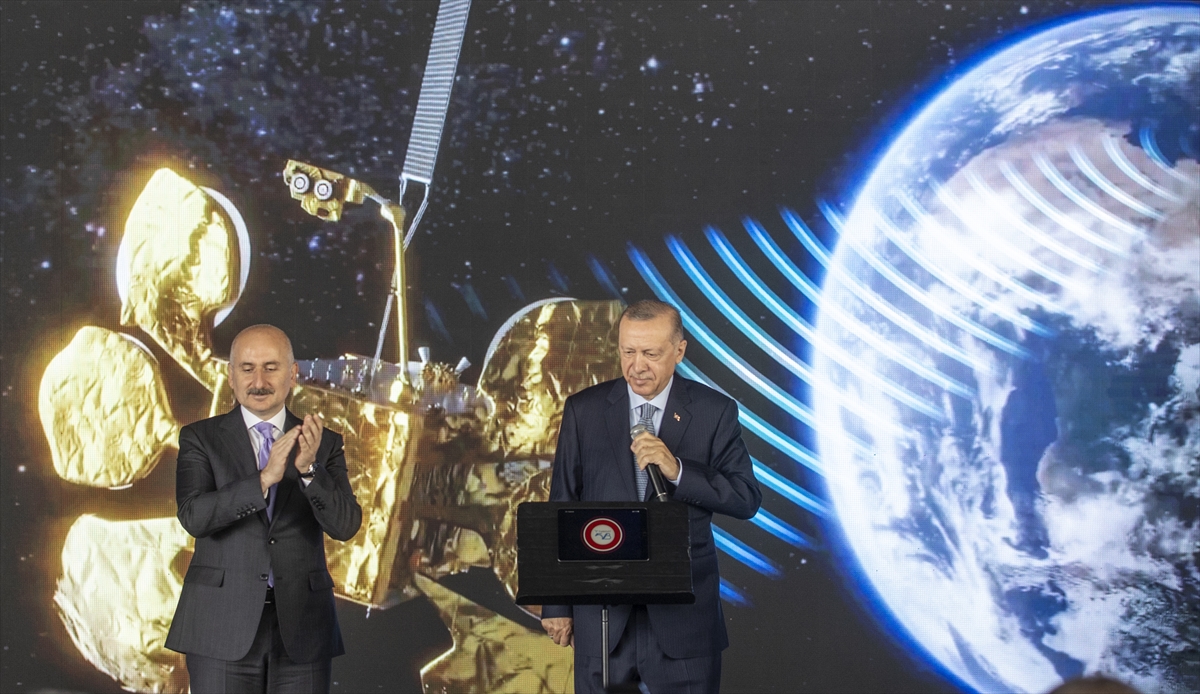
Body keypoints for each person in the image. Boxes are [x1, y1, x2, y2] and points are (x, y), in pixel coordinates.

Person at [541, 299, 762, 693]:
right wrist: (557, 604)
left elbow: (745, 498)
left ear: (679, 351)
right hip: (603, 614)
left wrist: (678, 470)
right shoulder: (584, 410)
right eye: (628, 352)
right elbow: (562, 506)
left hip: (684, 620)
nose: (637, 366)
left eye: (650, 354)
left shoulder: (714, 411)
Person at [166, 324, 362, 694]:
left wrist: (308, 470)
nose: (259, 381)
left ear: (293, 375)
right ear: (231, 376)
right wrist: (264, 479)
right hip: (219, 624)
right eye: (247, 368)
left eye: (271, 368)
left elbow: (346, 525)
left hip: (303, 628)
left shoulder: (324, 443)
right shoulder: (200, 438)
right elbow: (194, 516)